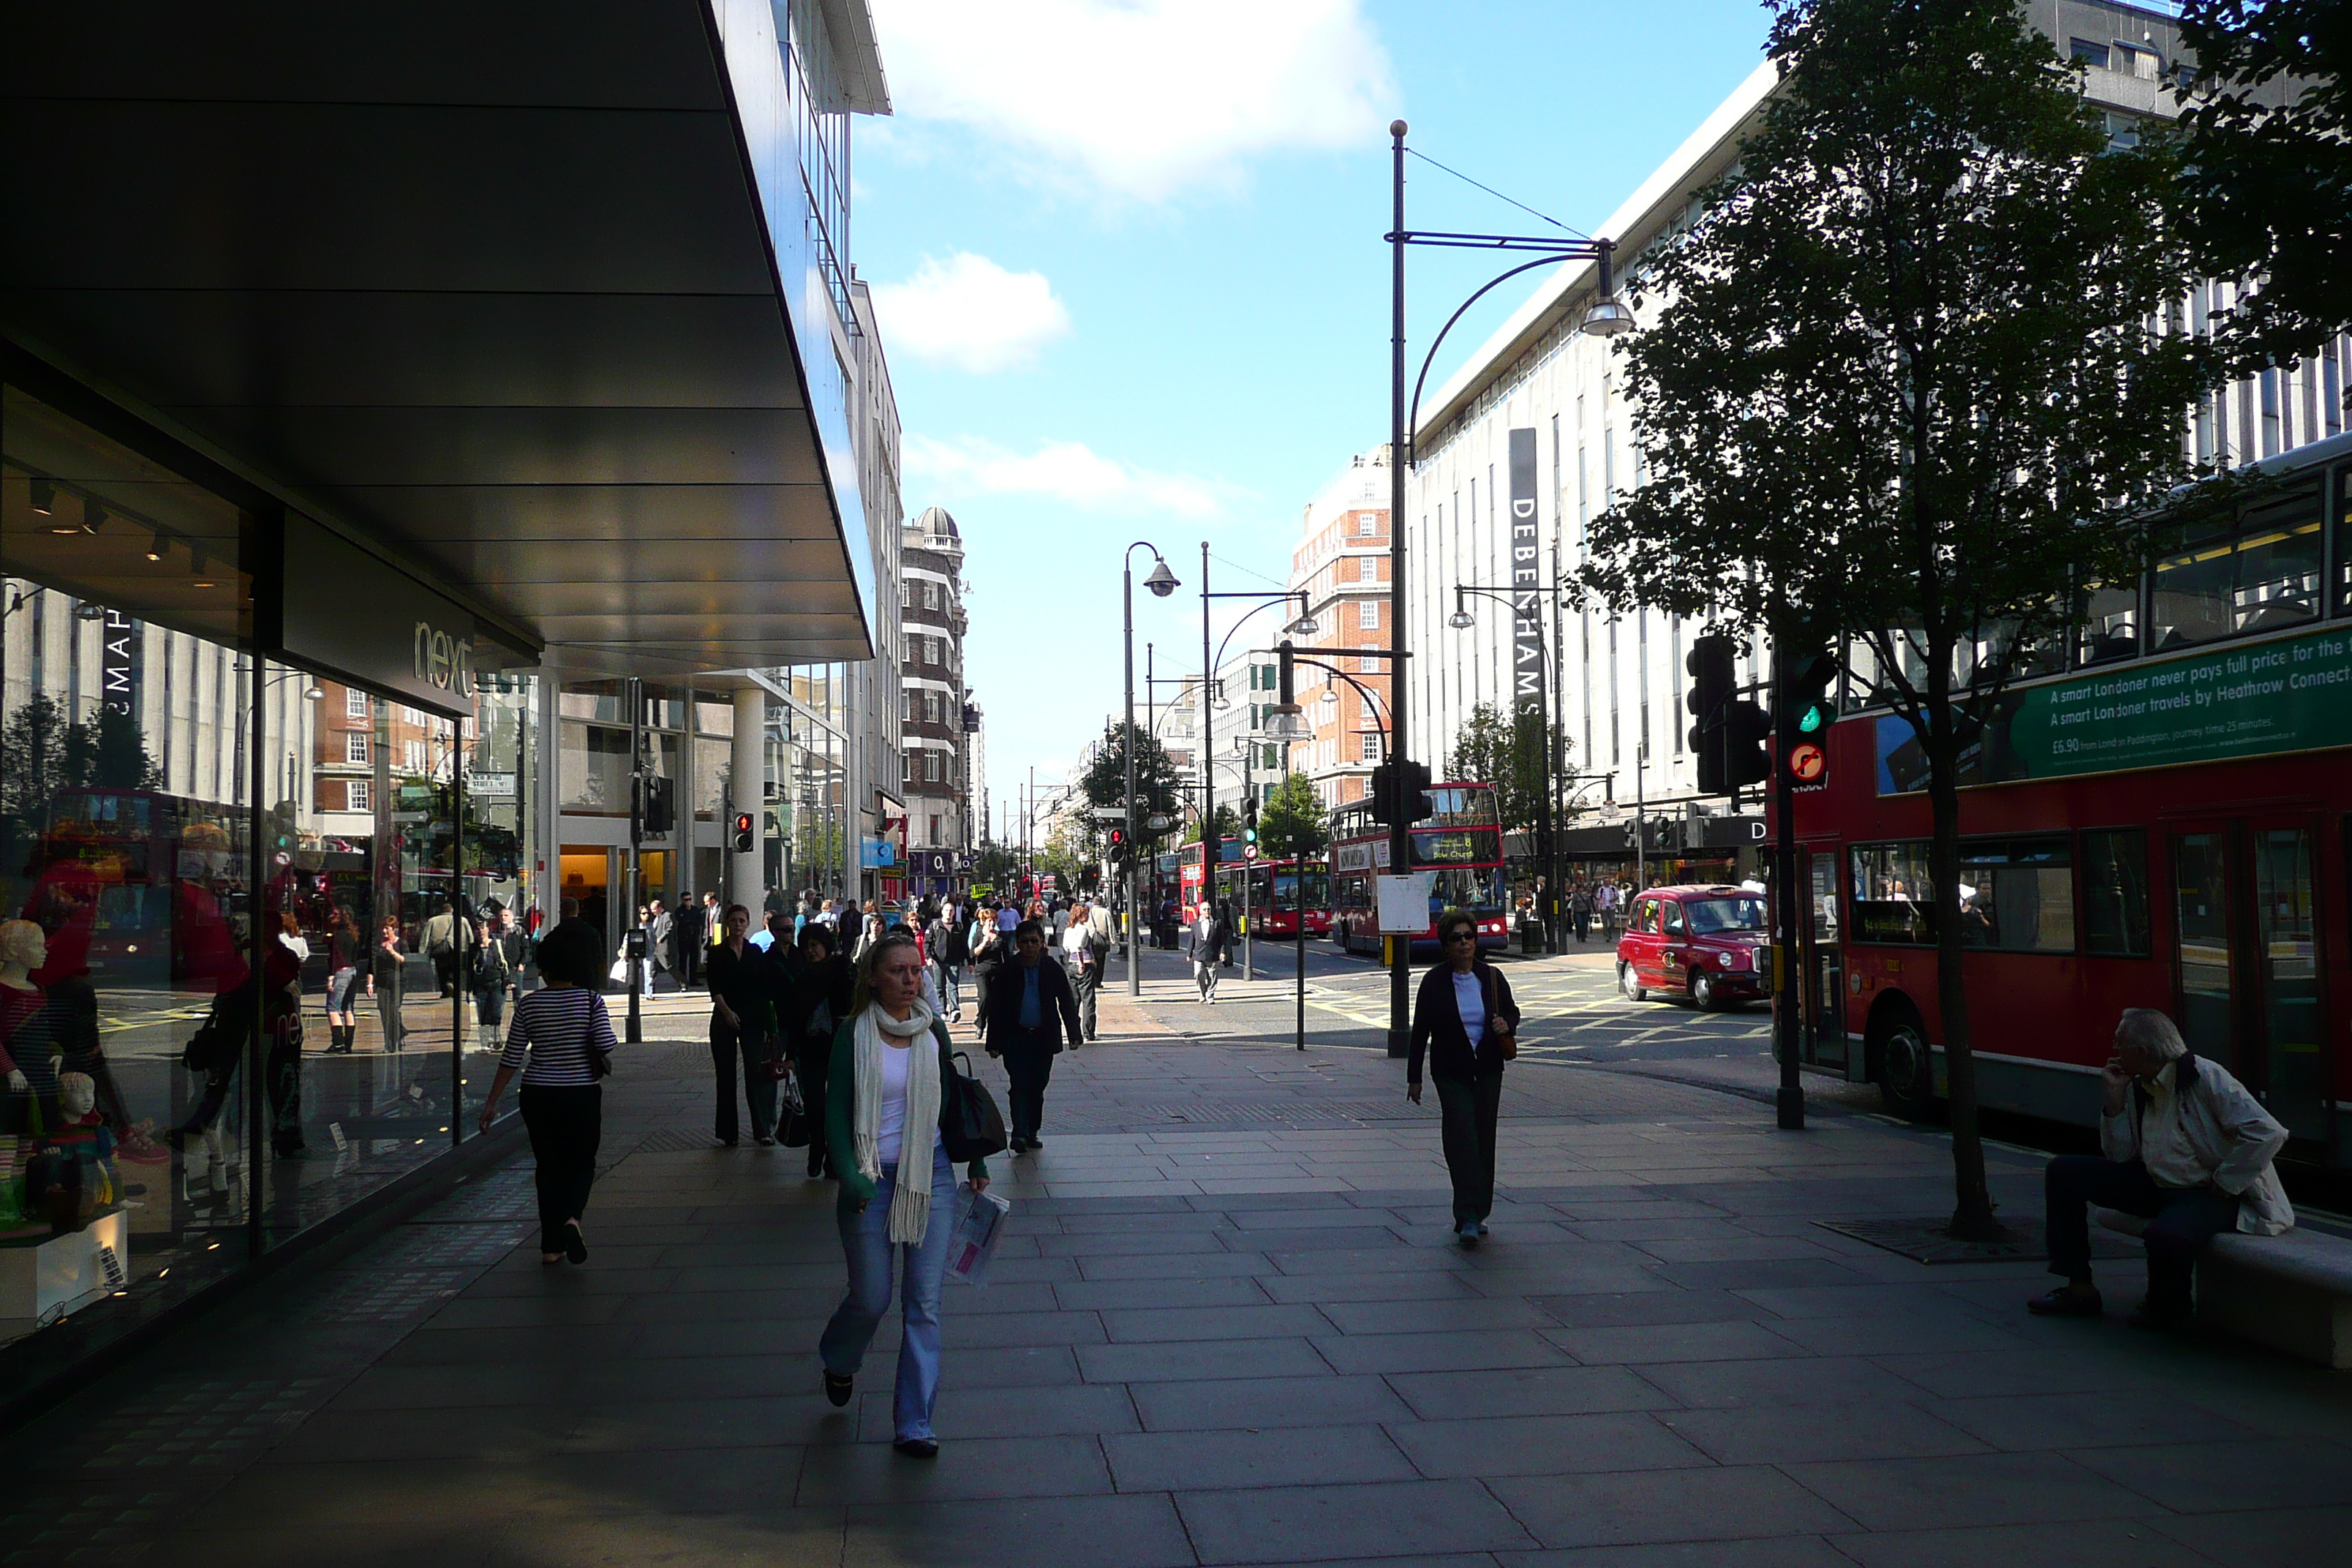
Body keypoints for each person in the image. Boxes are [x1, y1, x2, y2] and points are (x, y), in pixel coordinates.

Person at [818, 931, 992, 1458]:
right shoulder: (852, 1034)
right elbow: (836, 1112)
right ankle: (840, 1358)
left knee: (924, 1304)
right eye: (897, 971)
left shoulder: (931, 1030)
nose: (908, 980)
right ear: (873, 977)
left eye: (915, 971)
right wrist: (849, 1174)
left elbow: (951, 1102)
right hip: (870, 1178)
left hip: (930, 1176)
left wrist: (976, 1158)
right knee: (871, 1298)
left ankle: (915, 1422)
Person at [2029, 1007, 2293, 1330]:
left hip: (2208, 1192)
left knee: (2165, 1235)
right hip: (2157, 1183)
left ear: (2140, 1051)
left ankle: (2167, 1307)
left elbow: (2269, 1132)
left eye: (2119, 1044)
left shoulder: (2206, 1076)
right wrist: (2114, 1102)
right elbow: (2120, 1156)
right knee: (2063, 1172)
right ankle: (2079, 1289)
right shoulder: (2140, 1085)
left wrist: (2227, 1180)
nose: (2114, 1052)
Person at [475, 919, 617, 1265]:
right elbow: (607, 1044)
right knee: (581, 1162)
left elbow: (511, 1058)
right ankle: (572, 1219)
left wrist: (491, 1103)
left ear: (545, 969)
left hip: (537, 1093)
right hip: (581, 1093)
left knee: (548, 1167)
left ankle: (551, 1245)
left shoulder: (529, 1005)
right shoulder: (590, 1001)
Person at [1408, 908, 1523, 1247]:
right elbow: (1420, 1032)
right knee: (1462, 1141)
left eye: (1469, 937)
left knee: (1484, 1140)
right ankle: (1467, 1216)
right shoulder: (1434, 982)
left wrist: (1508, 1025)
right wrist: (1414, 1077)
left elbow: (1512, 1010)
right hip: (1450, 1072)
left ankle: (1478, 1210)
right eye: (1456, 938)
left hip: (1488, 1068)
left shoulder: (1491, 976)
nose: (1464, 944)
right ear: (1446, 945)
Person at [981, 920, 1082, 1152]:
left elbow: (1066, 1002)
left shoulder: (1052, 968)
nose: (1029, 946)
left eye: (1034, 941)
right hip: (1015, 1038)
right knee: (1019, 1085)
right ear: (1017, 944)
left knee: (1037, 1085)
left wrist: (1074, 1033)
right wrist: (993, 1042)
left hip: (1043, 1038)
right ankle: (1019, 1133)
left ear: (1041, 943)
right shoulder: (1007, 971)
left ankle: (1032, 1131)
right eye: (1024, 942)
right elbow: (995, 1008)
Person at [706, 904, 779, 1147]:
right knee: (725, 1076)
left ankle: (762, 1130)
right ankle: (728, 1133)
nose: (738, 925)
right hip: (724, 1016)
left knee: (755, 1074)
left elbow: (763, 989)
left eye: (742, 921)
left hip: (752, 1018)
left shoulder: (755, 952)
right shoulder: (716, 953)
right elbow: (714, 988)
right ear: (727, 923)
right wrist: (727, 1012)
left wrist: (768, 1025)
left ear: (748, 924)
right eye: (734, 920)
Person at [786, 923, 856, 1179]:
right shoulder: (802, 977)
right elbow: (794, 1018)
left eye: (815, 946)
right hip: (811, 1048)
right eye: (806, 947)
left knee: (839, 1103)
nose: (810, 951)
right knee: (815, 1103)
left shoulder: (841, 971)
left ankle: (833, 1157)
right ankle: (817, 1148)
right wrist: (790, 1054)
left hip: (839, 1045)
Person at [1063, 898, 1104, 1044]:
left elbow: (1066, 947)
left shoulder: (1069, 930)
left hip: (1071, 966)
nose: (1087, 917)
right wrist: (1081, 963)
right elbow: (1079, 946)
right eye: (1085, 914)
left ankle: (1073, 1032)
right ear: (1079, 915)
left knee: (1073, 1001)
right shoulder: (1083, 930)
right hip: (1085, 965)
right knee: (1088, 1001)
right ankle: (1088, 1033)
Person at [323, 906, 364, 1054]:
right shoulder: (353, 934)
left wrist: (331, 977)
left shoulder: (337, 935)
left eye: (335, 914)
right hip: (352, 970)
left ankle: (338, 1043)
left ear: (341, 917)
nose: (331, 916)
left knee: (332, 1009)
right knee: (348, 1008)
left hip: (340, 972)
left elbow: (335, 958)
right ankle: (348, 1044)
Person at [367, 916, 407, 1052]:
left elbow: (404, 961)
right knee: (384, 1013)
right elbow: (372, 966)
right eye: (382, 929)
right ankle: (389, 1042)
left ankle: (396, 1039)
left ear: (394, 930)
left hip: (397, 981)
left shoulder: (401, 943)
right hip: (382, 982)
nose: (384, 931)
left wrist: (392, 952)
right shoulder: (377, 945)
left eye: (387, 929)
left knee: (393, 1011)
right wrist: (370, 984)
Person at [927, 904, 965, 1022]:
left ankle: (955, 1010)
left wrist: (969, 962)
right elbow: (927, 942)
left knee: (953, 986)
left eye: (951, 910)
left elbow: (964, 945)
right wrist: (928, 957)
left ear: (954, 913)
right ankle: (942, 1011)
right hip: (938, 961)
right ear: (942, 911)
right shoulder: (935, 926)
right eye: (947, 910)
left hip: (954, 961)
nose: (949, 913)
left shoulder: (959, 926)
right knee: (939, 987)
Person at [1188, 902, 1231, 1003]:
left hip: (1213, 954)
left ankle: (1210, 995)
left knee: (1213, 976)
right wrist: (1189, 954)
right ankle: (1203, 993)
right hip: (1199, 954)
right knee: (1198, 974)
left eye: (1209, 909)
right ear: (1200, 911)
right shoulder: (1195, 923)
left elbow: (1222, 939)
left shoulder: (1217, 923)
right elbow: (1192, 939)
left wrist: (1223, 952)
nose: (1207, 911)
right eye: (1205, 909)